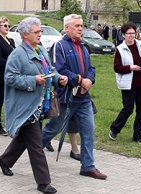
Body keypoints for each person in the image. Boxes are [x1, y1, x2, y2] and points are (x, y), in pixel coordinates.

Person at [0, 17, 67, 194]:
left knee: (25, 138)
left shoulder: (41, 50)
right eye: (36, 32)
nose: (40, 34)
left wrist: (59, 79)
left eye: (40, 31)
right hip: (25, 107)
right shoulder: (17, 54)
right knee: (36, 144)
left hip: (40, 104)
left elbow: (50, 71)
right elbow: (10, 78)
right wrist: (32, 80)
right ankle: (43, 183)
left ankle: (4, 160)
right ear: (25, 34)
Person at [41, 14, 107, 180]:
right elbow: (58, 70)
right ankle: (34, 148)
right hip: (65, 98)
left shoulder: (84, 46)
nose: (80, 28)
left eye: (81, 25)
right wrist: (79, 80)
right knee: (53, 128)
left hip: (83, 98)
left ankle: (87, 166)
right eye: (76, 25)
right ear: (67, 28)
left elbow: (91, 68)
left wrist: (89, 81)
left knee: (88, 130)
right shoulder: (59, 46)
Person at [109, 21, 141, 144]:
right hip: (128, 84)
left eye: (133, 33)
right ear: (123, 35)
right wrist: (130, 67)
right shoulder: (120, 49)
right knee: (128, 109)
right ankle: (114, 128)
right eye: (129, 33)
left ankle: (137, 136)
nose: (131, 35)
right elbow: (117, 68)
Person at [0, 16, 16, 136]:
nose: (7, 27)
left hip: (10, 76)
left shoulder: (11, 41)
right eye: (4, 25)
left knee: (10, 101)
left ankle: (11, 125)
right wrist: (12, 66)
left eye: (8, 25)